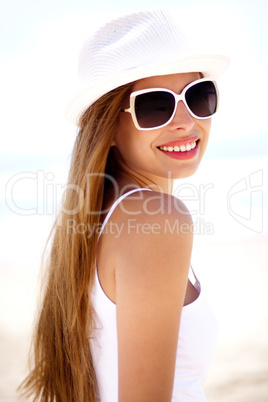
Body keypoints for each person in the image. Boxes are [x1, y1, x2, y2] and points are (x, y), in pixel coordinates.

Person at [19, 8, 229, 402]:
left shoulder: (97, 221)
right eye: (155, 105)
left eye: (199, 96)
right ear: (109, 127)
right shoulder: (158, 221)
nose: (186, 121)